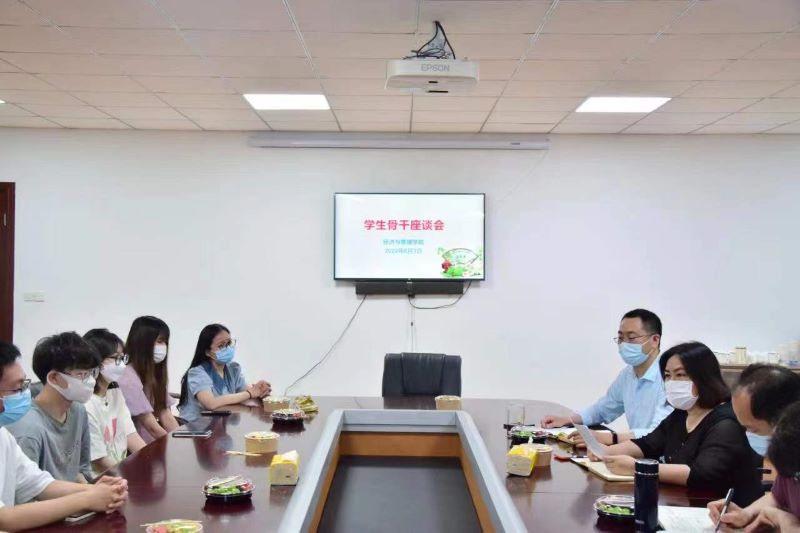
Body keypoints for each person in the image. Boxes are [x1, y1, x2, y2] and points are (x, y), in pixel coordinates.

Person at [594, 342, 762, 507]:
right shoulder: (682, 413)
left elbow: (701, 475)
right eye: (667, 376)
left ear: (704, 378)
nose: (671, 382)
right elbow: (647, 444)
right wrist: (605, 452)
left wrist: (638, 467)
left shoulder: (726, 423)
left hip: (722, 511)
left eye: (680, 375)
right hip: (682, 502)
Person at [0, 340, 128, 532]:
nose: (25, 394)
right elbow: (4, 518)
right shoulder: (26, 429)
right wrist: (86, 498)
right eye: (17, 389)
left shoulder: (3, 434)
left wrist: (97, 490)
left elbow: (39, 483)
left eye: (25, 385)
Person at [541, 309, 673, 444]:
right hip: (637, 449)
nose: (624, 344)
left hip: (661, 453)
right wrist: (570, 420)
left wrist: (608, 438)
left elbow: (659, 433)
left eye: (631, 338)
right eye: (621, 338)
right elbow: (605, 408)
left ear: (655, 340)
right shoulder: (628, 374)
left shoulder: (670, 378)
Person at [708, 365, 800, 531]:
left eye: (753, 429)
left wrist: (784, 520)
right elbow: (778, 497)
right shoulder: (787, 457)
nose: (749, 435)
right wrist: (746, 514)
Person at [7, 333, 99, 483]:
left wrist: (94, 491)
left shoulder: (78, 410)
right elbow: (28, 492)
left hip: (77, 495)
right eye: (82, 374)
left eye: (92, 373)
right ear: (54, 378)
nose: (91, 381)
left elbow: (82, 469)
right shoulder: (28, 430)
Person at [83, 329, 147, 476]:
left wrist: (150, 461)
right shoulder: (86, 403)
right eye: (116, 358)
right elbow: (100, 461)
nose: (122, 365)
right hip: (101, 479)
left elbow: (131, 435)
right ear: (96, 360)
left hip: (122, 472)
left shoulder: (115, 392)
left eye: (123, 358)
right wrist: (130, 476)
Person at [178, 324, 271, 423]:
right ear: (207, 352)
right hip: (195, 427)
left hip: (220, 425)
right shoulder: (197, 373)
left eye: (229, 343)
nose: (227, 348)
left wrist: (261, 392)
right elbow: (211, 404)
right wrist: (250, 393)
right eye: (221, 346)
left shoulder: (233, 369)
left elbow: (249, 394)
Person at [117, 316, 179, 443]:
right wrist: (177, 445)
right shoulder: (127, 378)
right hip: (136, 448)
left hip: (152, 443)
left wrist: (184, 439)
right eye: (159, 341)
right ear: (142, 343)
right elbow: (151, 427)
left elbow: (165, 414)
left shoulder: (154, 374)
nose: (163, 347)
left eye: (165, 342)